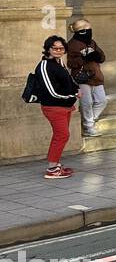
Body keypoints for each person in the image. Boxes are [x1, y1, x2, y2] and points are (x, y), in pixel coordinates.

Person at [32, 35, 79, 179]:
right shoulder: (45, 65)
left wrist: (75, 89)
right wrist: (71, 96)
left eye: (61, 48)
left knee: (60, 136)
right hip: (53, 106)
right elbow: (50, 91)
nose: (59, 51)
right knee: (62, 135)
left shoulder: (59, 63)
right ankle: (52, 169)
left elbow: (68, 81)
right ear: (48, 49)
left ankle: (55, 164)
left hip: (64, 106)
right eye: (55, 48)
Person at [66, 18, 107, 137]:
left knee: (102, 101)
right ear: (82, 30)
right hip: (82, 78)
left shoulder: (92, 42)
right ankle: (89, 126)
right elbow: (70, 63)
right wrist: (84, 59)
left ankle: (89, 121)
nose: (90, 31)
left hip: (96, 77)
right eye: (88, 29)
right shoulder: (72, 44)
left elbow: (102, 56)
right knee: (86, 102)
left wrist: (96, 55)